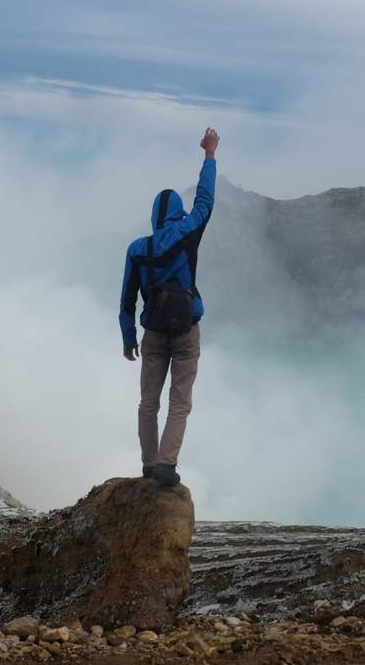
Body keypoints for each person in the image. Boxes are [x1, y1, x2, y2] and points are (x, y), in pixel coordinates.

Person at [119, 127, 218, 486]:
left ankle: (148, 465)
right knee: (180, 401)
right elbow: (205, 202)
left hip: (154, 333)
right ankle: (166, 465)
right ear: (177, 213)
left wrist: (128, 336)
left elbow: (127, 297)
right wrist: (209, 156)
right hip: (186, 328)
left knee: (149, 402)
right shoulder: (188, 231)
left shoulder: (137, 249)